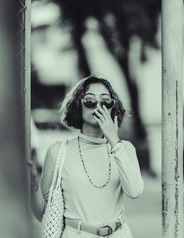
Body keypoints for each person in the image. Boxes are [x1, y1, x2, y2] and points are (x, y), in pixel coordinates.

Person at [30, 74, 144, 238]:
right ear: (78, 106)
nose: (98, 106)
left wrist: (113, 139)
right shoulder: (58, 152)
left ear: (113, 107)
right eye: (90, 101)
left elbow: (135, 191)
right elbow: (44, 215)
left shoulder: (124, 149)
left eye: (105, 102)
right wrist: (32, 184)